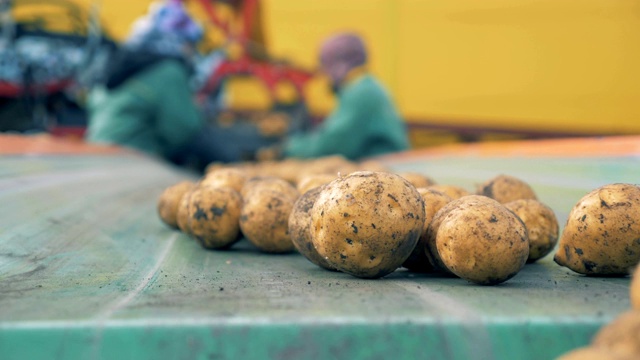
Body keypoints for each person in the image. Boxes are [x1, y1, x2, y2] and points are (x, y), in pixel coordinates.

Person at [85, 0, 218, 171]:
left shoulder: (117, 66)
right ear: (177, 40)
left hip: (96, 156)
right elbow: (183, 130)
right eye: (190, 44)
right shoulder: (170, 71)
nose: (193, 52)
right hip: (135, 161)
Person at [267, 32, 410, 161]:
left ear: (334, 64)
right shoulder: (367, 86)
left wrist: (289, 148)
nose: (324, 75)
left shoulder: (360, 93)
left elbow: (334, 143)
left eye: (324, 66)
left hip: (385, 168)